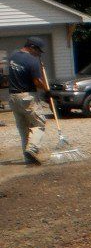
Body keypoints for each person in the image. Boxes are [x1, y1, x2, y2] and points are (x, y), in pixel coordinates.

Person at [8, 36, 48, 164]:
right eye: (38, 51)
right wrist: (47, 91)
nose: (39, 54)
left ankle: (28, 159)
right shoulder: (32, 61)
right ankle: (32, 149)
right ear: (32, 47)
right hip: (27, 97)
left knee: (23, 129)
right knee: (40, 123)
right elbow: (37, 81)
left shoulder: (13, 56)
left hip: (12, 97)